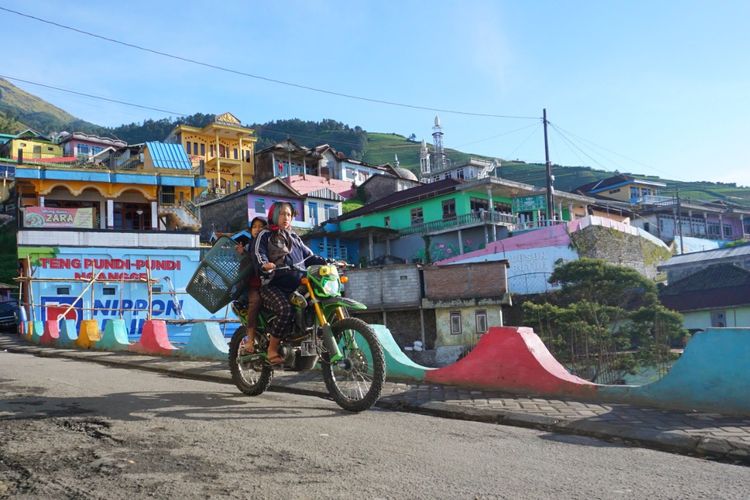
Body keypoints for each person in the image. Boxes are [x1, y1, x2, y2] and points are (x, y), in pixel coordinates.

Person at [253, 201, 326, 365]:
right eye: (282, 213)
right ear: (274, 215)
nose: (286, 217)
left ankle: (309, 351)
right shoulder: (265, 235)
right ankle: (272, 348)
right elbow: (259, 253)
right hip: (273, 285)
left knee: (315, 306)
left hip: (298, 286)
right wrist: (264, 264)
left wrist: (327, 262)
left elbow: (310, 257)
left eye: (288, 214)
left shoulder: (294, 237)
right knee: (285, 309)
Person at [234, 216, 267, 354]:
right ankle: (250, 338)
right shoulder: (249, 246)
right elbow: (245, 266)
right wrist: (242, 254)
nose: (257, 229)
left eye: (261, 226)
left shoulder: (268, 244)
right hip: (253, 285)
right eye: (254, 227)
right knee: (255, 302)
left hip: (268, 283)